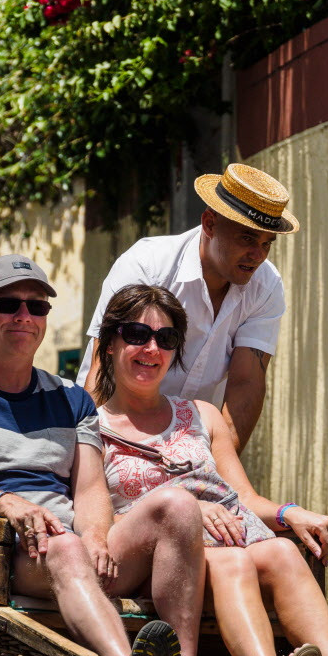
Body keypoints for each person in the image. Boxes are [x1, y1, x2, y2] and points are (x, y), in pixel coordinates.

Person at [0, 255, 203, 656]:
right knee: (66, 547)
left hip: (72, 544)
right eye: (8, 304)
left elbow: (88, 490)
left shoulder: (73, 399)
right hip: (3, 551)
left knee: (178, 505)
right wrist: (9, 504)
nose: (24, 315)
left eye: (37, 306)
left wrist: (98, 539)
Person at [94, 284, 328, 656]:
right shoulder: (89, 428)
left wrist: (289, 513)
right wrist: (188, 511)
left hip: (229, 536)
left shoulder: (202, 415)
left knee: (282, 551)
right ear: (109, 343)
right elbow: (93, 521)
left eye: (166, 338)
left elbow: (243, 497)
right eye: (136, 335)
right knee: (233, 560)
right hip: (158, 553)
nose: (152, 349)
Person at [79, 163, 298, 452]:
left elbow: (246, 384)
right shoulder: (148, 265)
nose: (257, 255)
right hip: (114, 433)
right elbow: (103, 367)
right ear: (209, 224)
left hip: (194, 447)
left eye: (267, 243)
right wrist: (84, 459)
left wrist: (215, 471)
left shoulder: (266, 285)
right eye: (247, 238)